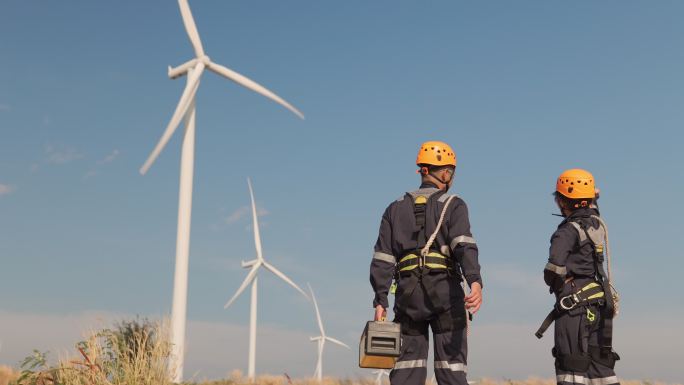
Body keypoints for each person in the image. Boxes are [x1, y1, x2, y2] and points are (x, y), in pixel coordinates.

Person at [369, 141, 482, 385]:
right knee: (451, 370)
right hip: (445, 294)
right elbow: (464, 246)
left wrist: (380, 299)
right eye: (450, 171)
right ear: (444, 172)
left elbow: (383, 257)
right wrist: (474, 281)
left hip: (407, 296)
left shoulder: (394, 209)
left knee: (406, 371)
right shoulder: (454, 205)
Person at [538, 168, 620, 385]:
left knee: (571, 364)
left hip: (573, 306)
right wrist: (592, 198)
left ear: (562, 201)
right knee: (599, 365)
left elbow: (553, 269)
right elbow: (591, 210)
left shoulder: (566, 231)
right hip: (598, 302)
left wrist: (559, 287)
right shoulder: (596, 224)